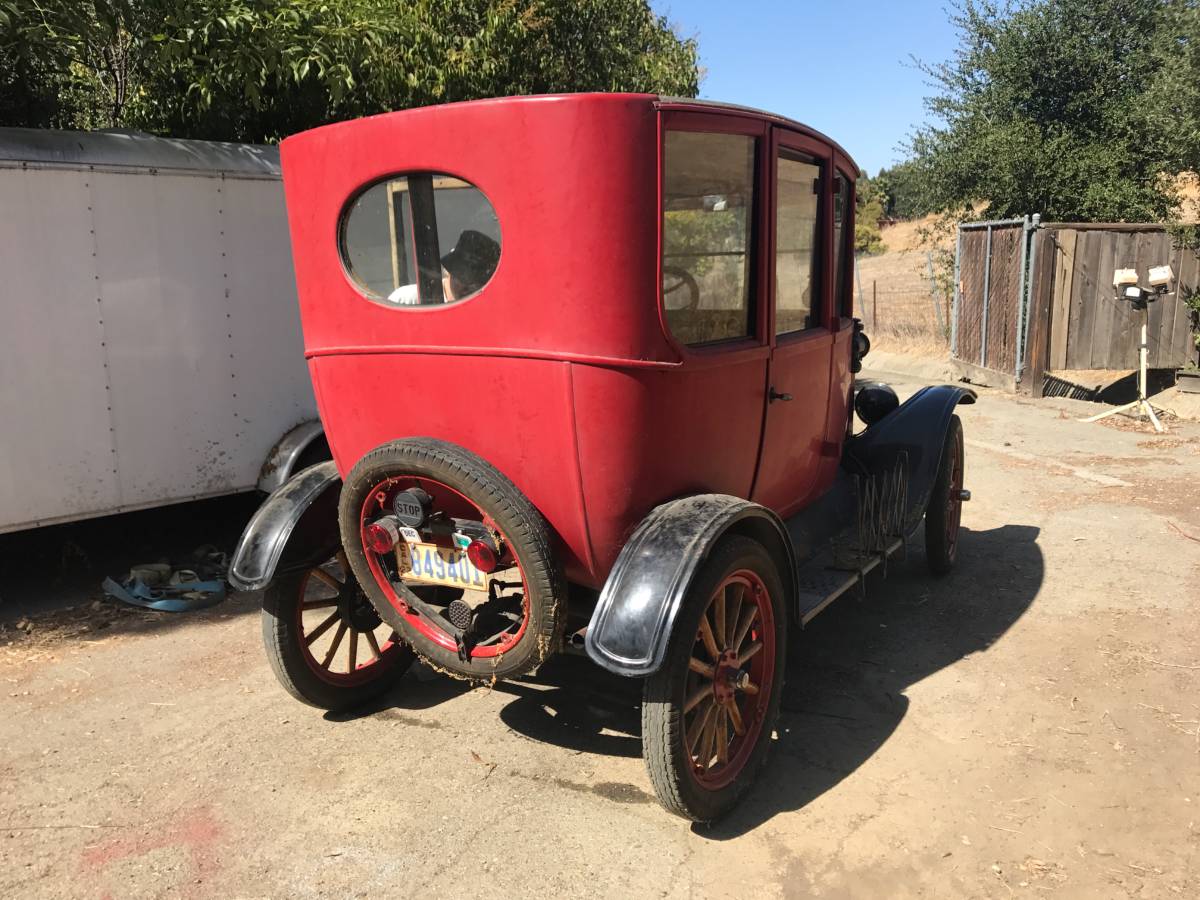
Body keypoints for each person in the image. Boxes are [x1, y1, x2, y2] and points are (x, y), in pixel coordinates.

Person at [386, 229, 500, 305]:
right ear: (449, 271)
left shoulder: (484, 311)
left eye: (478, 282)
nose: (468, 287)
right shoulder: (405, 300)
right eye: (463, 276)